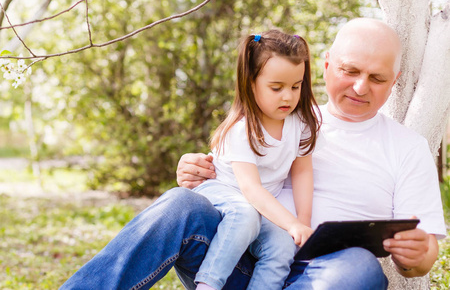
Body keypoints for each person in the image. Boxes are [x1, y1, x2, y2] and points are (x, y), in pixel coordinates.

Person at [60, 18, 446, 290]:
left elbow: (425, 254)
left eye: (377, 78)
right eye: (350, 70)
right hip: (237, 260)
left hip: (324, 275)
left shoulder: (407, 148)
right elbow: (230, 171)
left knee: (361, 267)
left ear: (394, 82)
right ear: (326, 64)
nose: (361, 87)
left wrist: (419, 253)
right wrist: (194, 170)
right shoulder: (278, 110)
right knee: (179, 203)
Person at [189, 30, 320, 290]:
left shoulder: (301, 124)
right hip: (223, 191)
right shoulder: (242, 129)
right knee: (244, 215)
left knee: (283, 247)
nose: (288, 96)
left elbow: (302, 172)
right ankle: (208, 285)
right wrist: (291, 222)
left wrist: (302, 222)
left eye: (296, 86)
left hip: (258, 206)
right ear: (251, 83)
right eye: (276, 87)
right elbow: (250, 188)